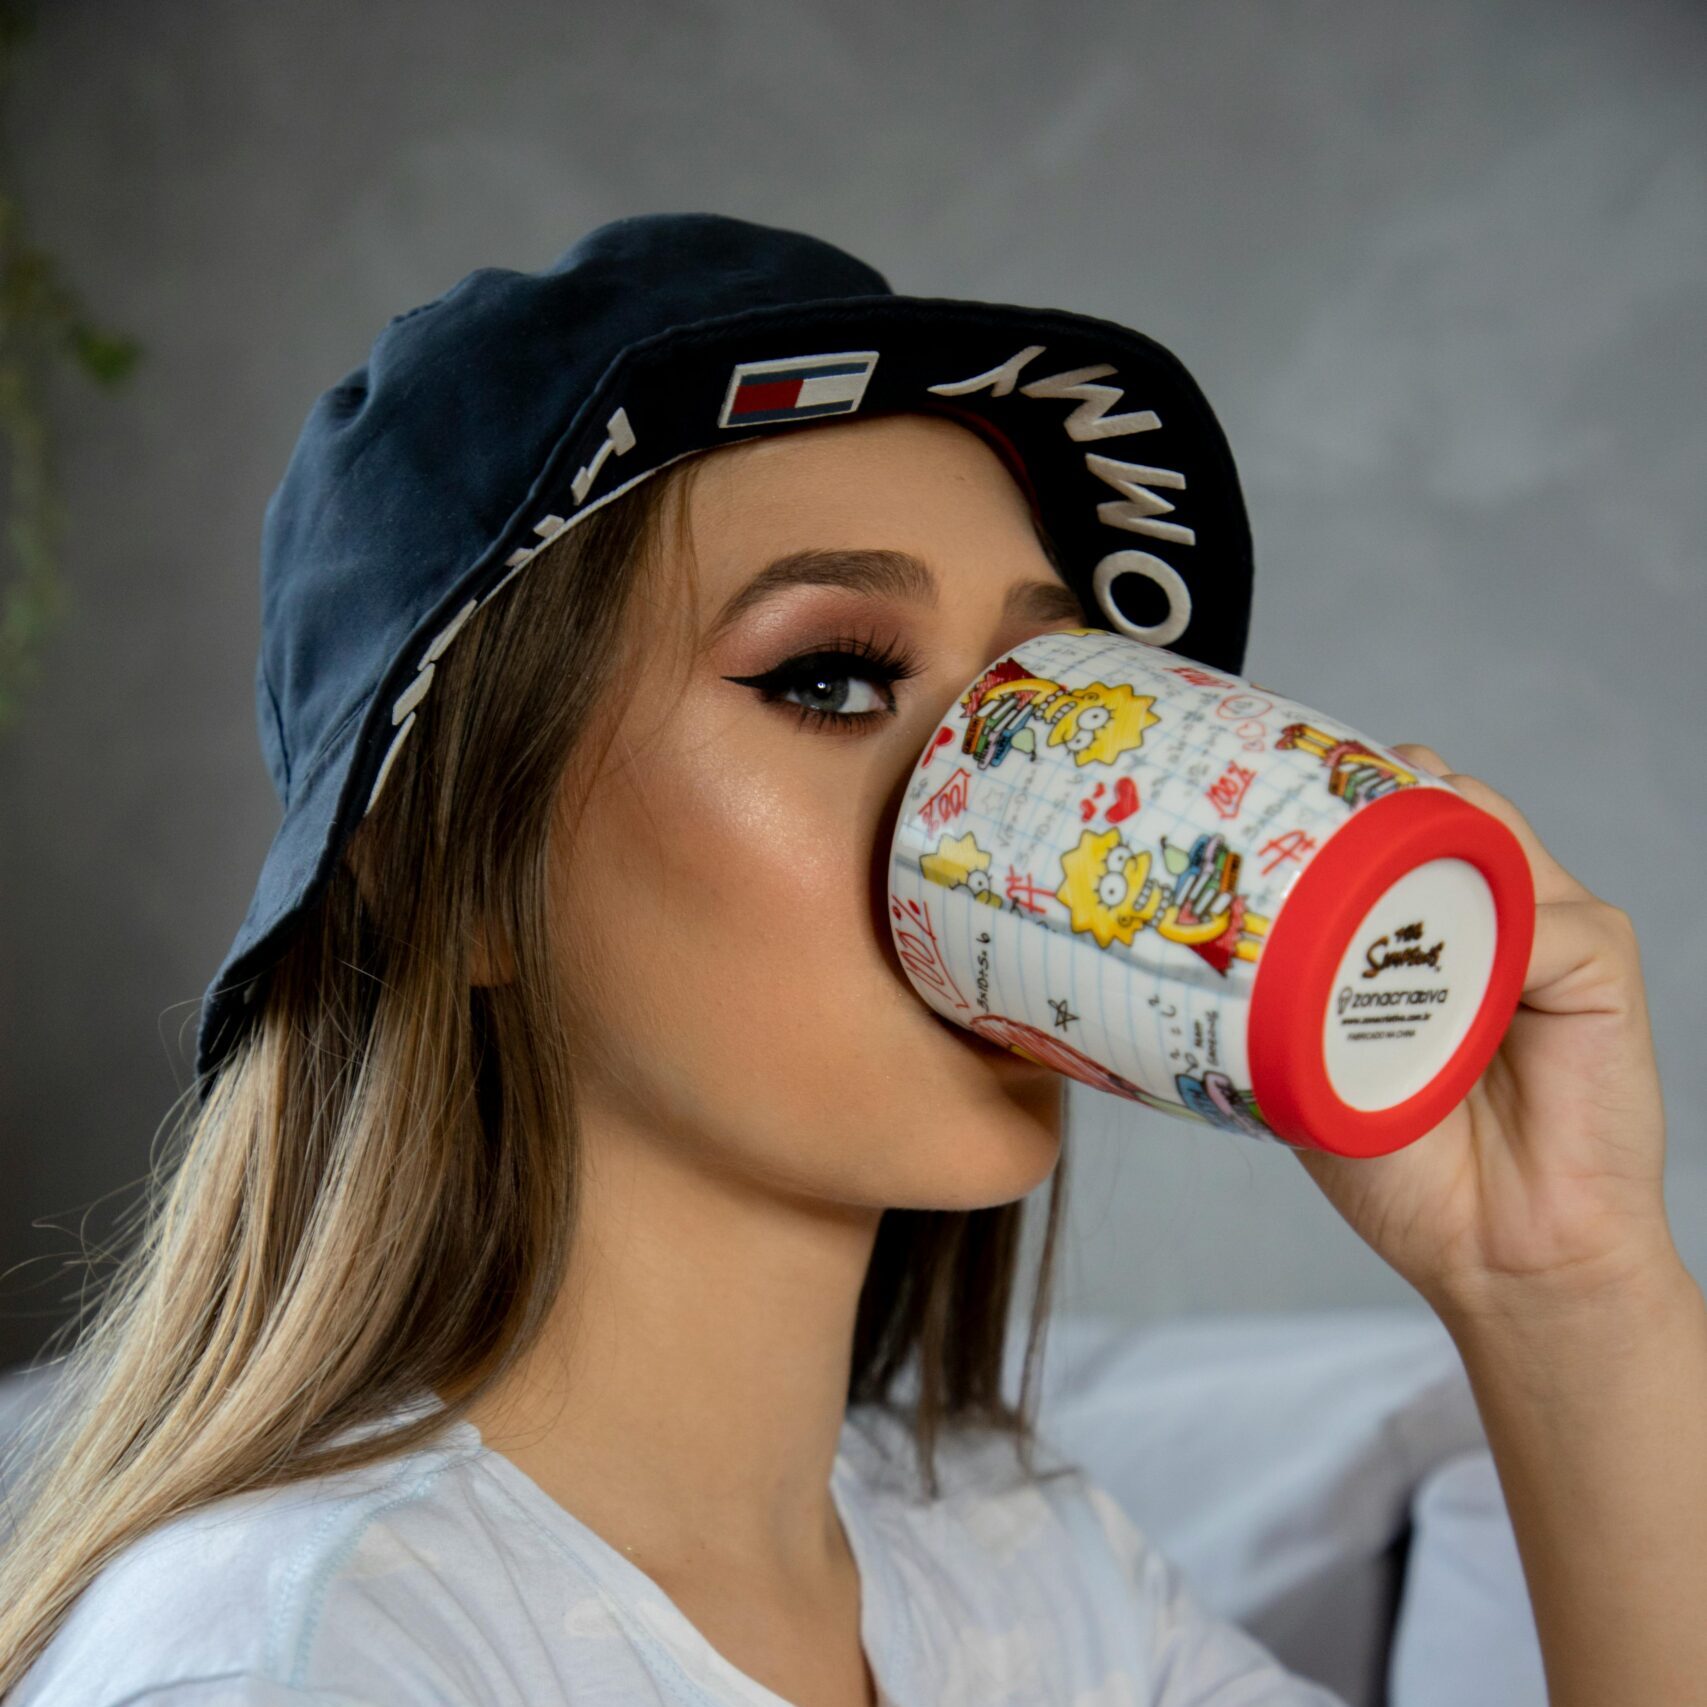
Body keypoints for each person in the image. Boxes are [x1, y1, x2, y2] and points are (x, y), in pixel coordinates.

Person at [1, 214, 1700, 1707]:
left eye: (1048, 692)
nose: (1006, 796)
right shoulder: (304, 1664)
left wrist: (1569, 1296)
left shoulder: (1017, 1573)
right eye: (830, 677)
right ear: (448, 887)